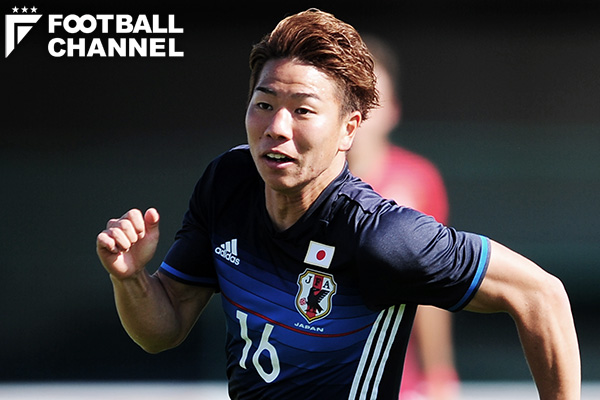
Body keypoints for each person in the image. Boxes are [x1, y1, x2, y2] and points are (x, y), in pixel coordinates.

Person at [96, 9, 580, 400]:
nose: (276, 127)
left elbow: (541, 295)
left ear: (349, 129)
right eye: (264, 104)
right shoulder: (228, 182)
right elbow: (162, 330)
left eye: (303, 110)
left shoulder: (381, 236)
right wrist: (131, 278)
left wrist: (440, 376)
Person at [347, 36, 457, 400]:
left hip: (398, 386)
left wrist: (439, 375)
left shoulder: (418, 181)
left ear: (393, 110)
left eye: (372, 99)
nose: (362, 113)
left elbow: (432, 288)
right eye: (353, 97)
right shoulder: (303, 184)